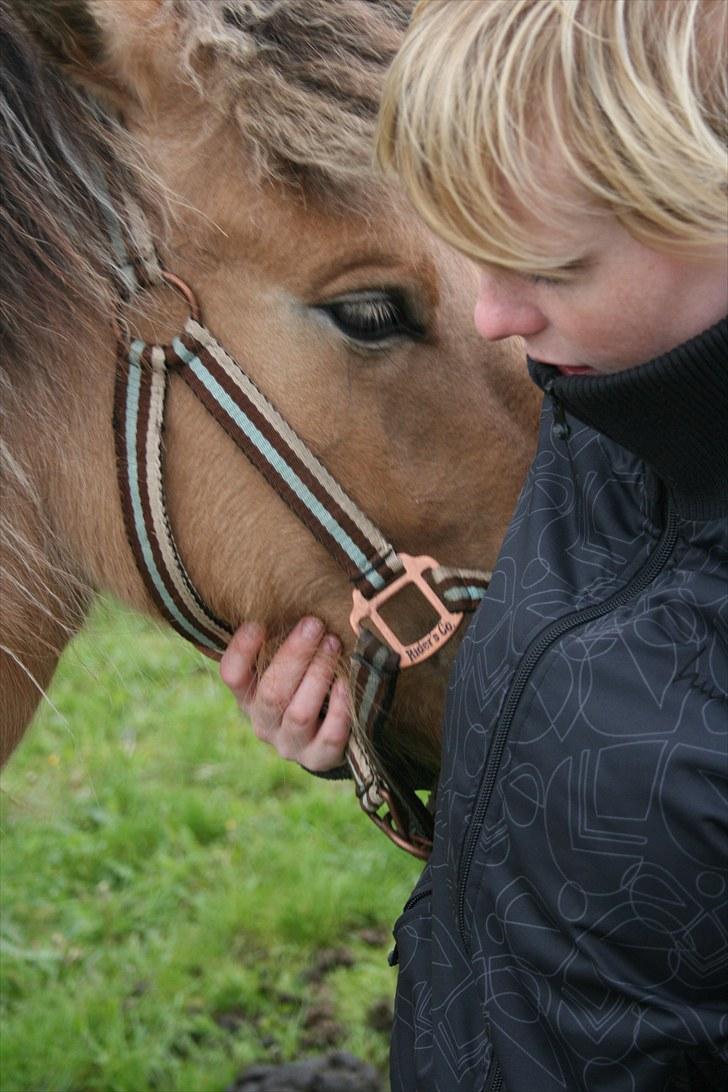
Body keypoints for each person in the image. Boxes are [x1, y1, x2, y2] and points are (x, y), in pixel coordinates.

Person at [220, 1, 728, 1088]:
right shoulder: (597, 412)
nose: (494, 317)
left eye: (551, 267)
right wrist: (369, 747)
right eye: (471, 257)